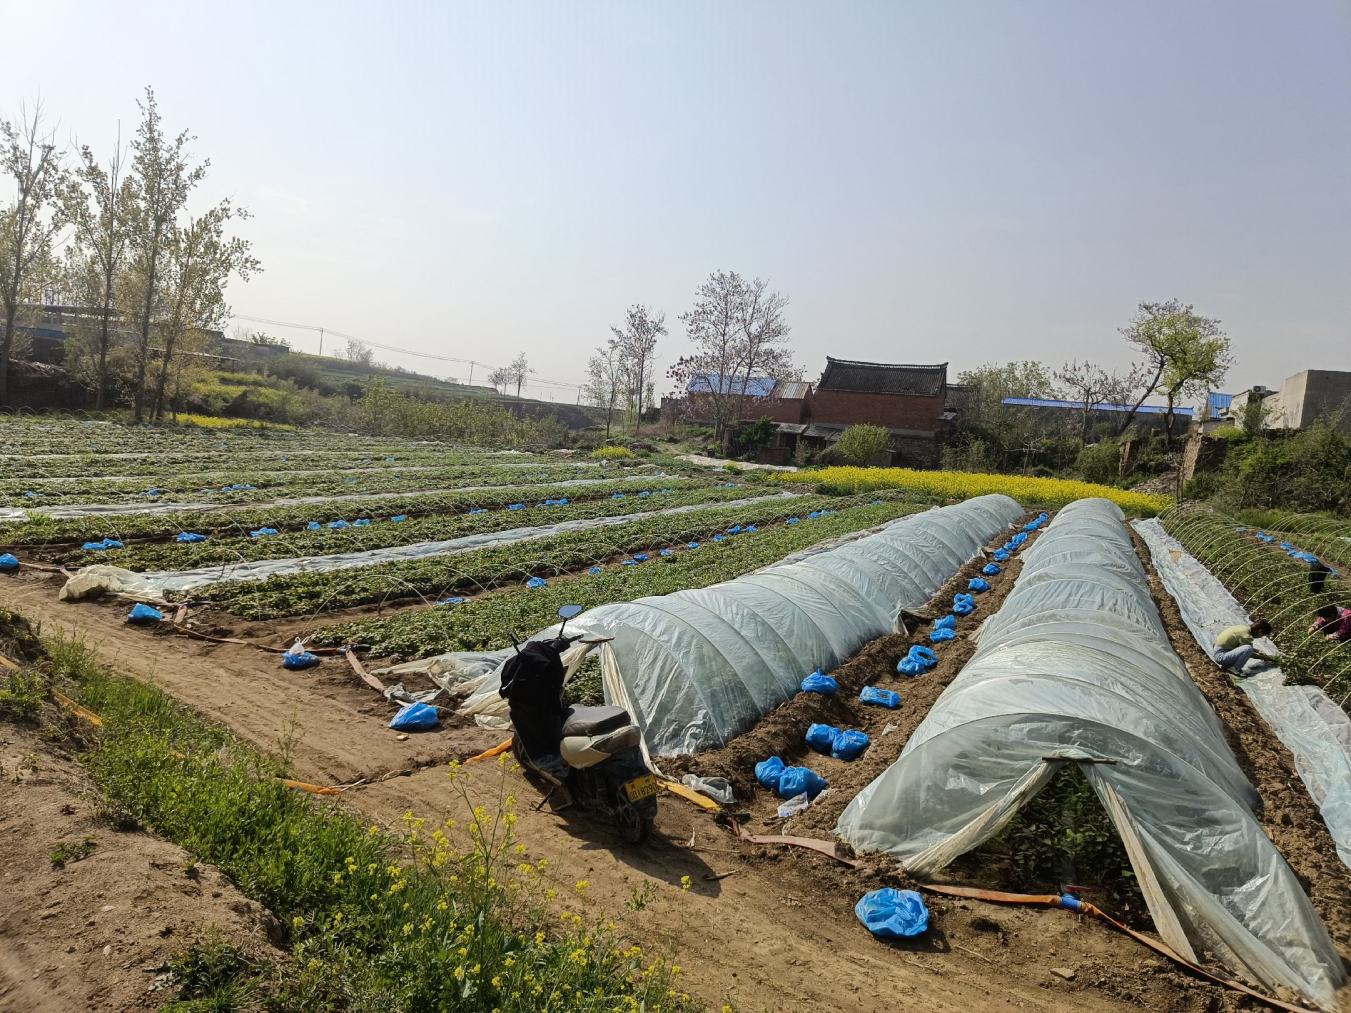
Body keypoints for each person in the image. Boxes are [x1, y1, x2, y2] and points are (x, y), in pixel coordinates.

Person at [1213, 619, 1277, 674]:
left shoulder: (1243, 628)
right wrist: (1267, 658)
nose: (1261, 637)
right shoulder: (1246, 636)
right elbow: (1249, 653)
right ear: (1260, 631)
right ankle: (1234, 669)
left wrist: (1258, 651)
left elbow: (1241, 647)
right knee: (1248, 648)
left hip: (1220, 651)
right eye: (1262, 635)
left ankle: (1228, 666)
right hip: (1221, 656)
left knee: (1248, 648)